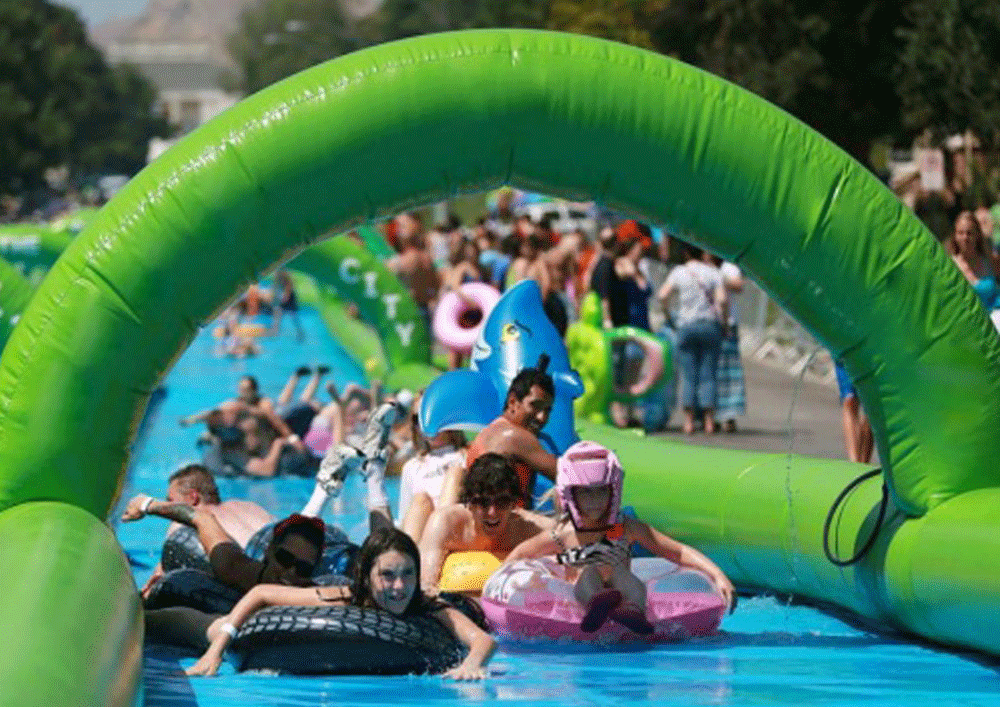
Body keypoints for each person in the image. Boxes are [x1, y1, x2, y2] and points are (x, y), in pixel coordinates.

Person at [185, 527, 496, 680]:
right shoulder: (346, 597)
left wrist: (471, 665)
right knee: (210, 628)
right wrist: (216, 652)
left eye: (408, 574)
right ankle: (156, 618)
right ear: (367, 578)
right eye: (387, 575)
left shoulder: (428, 607)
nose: (400, 586)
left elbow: (482, 640)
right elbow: (261, 594)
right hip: (233, 620)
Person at [503, 441, 735, 634]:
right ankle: (597, 602)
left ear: (613, 490)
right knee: (588, 574)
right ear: (570, 494)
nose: (594, 500)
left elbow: (677, 551)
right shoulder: (565, 535)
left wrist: (718, 576)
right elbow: (520, 554)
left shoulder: (624, 529)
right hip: (577, 603)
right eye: (585, 492)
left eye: (601, 490)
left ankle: (631, 612)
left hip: (622, 589)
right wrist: (501, 587)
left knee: (623, 576)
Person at [419, 453, 555, 594]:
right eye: (483, 503)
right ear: (469, 503)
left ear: (514, 503)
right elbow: (426, 585)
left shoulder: (528, 527)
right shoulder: (447, 524)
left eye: (501, 502)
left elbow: (569, 536)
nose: (492, 512)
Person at [139, 464, 274, 597]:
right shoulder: (249, 506)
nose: (167, 506)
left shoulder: (185, 524)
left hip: (255, 578)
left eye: (170, 501)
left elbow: (159, 576)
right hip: (284, 564)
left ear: (193, 498)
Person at [437, 366, 558, 510]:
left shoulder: (493, 429)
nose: (542, 417)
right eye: (535, 406)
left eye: (547, 410)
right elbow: (569, 475)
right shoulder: (514, 437)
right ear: (513, 402)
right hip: (498, 525)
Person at [657, 242, 728, 435]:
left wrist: (668, 315)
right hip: (710, 326)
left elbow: (662, 294)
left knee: (688, 376)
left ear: (686, 253)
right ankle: (709, 421)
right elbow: (722, 300)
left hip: (686, 325)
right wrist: (725, 324)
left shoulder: (679, 272)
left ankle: (688, 422)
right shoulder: (714, 273)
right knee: (708, 375)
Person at [398, 409, 467, 543]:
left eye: (435, 416)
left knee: (455, 473)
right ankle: (414, 556)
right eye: (420, 419)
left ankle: (435, 541)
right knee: (420, 500)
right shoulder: (412, 467)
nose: (428, 424)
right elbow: (403, 519)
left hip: (453, 528)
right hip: (420, 535)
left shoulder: (464, 457)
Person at [712, 255, 747, 433]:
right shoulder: (708, 267)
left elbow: (738, 284)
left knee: (727, 373)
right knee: (713, 372)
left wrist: (718, 278)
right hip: (713, 324)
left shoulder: (727, 266)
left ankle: (728, 416)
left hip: (727, 325)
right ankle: (712, 415)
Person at [834, 360, 873, 464]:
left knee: (870, 407)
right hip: (844, 348)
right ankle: (854, 463)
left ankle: (864, 464)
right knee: (849, 400)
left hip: (871, 350)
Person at [272, 269, 305, 342]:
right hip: (284, 297)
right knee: (278, 314)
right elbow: (276, 288)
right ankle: (276, 331)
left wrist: (283, 297)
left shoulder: (287, 279)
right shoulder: (278, 277)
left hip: (290, 299)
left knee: (293, 316)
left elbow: (287, 292)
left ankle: (300, 333)